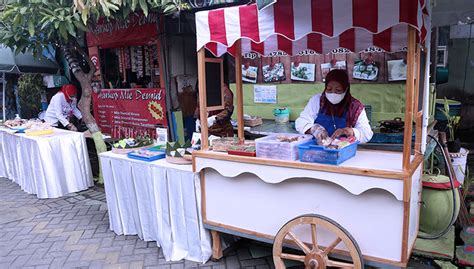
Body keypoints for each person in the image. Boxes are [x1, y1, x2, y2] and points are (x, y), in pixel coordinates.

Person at [295, 69, 373, 145]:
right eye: (329, 89)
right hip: (317, 148)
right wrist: (314, 130)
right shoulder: (317, 101)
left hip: (343, 151)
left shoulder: (355, 106)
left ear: (346, 89)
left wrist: (350, 131)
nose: (333, 93)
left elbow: (367, 134)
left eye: (338, 90)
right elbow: (301, 122)